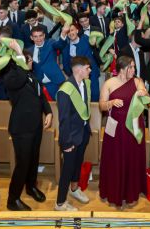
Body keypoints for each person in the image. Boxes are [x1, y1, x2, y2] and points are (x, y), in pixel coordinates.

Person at [2, 45, 53, 211]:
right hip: (21, 128)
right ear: (20, 62)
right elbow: (18, 80)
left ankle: (30, 187)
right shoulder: (12, 77)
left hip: (35, 126)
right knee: (23, 163)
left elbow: (41, 96)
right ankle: (12, 199)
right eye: (29, 60)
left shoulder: (32, 76)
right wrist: (20, 56)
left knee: (33, 159)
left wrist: (49, 112)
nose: (32, 62)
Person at [98, 55, 149, 208]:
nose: (133, 70)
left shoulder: (137, 81)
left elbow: (144, 94)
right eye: (130, 67)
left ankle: (131, 192)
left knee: (132, 158)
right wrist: (111, 103)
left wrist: (142, 93)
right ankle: (114, 191)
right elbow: (101, 105)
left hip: (133, 125)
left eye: (134, 67)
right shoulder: (109, 83)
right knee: (115, 158)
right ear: (121, 69)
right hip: (116, 126)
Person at [55, 56, 93, 211]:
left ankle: (74, 189)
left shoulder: (85, 84)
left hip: (83, 132)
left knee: (78, 163)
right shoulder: (65, 89)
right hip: (70, 137)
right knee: (67, 169)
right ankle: (60, 203)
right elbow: (63, 119)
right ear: (78, 69)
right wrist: (66, 142)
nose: (90, 70)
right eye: (87, 68)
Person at [30, 25, 67, 99]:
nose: (38, 39)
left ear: (44, 36)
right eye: (35, 36)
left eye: (40, 36)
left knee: (60, 106)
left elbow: (60, 44)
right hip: (40, 85)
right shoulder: (29, 50)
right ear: (31, 37)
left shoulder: (50, 43)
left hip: (56, 82)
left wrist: (63, 33)